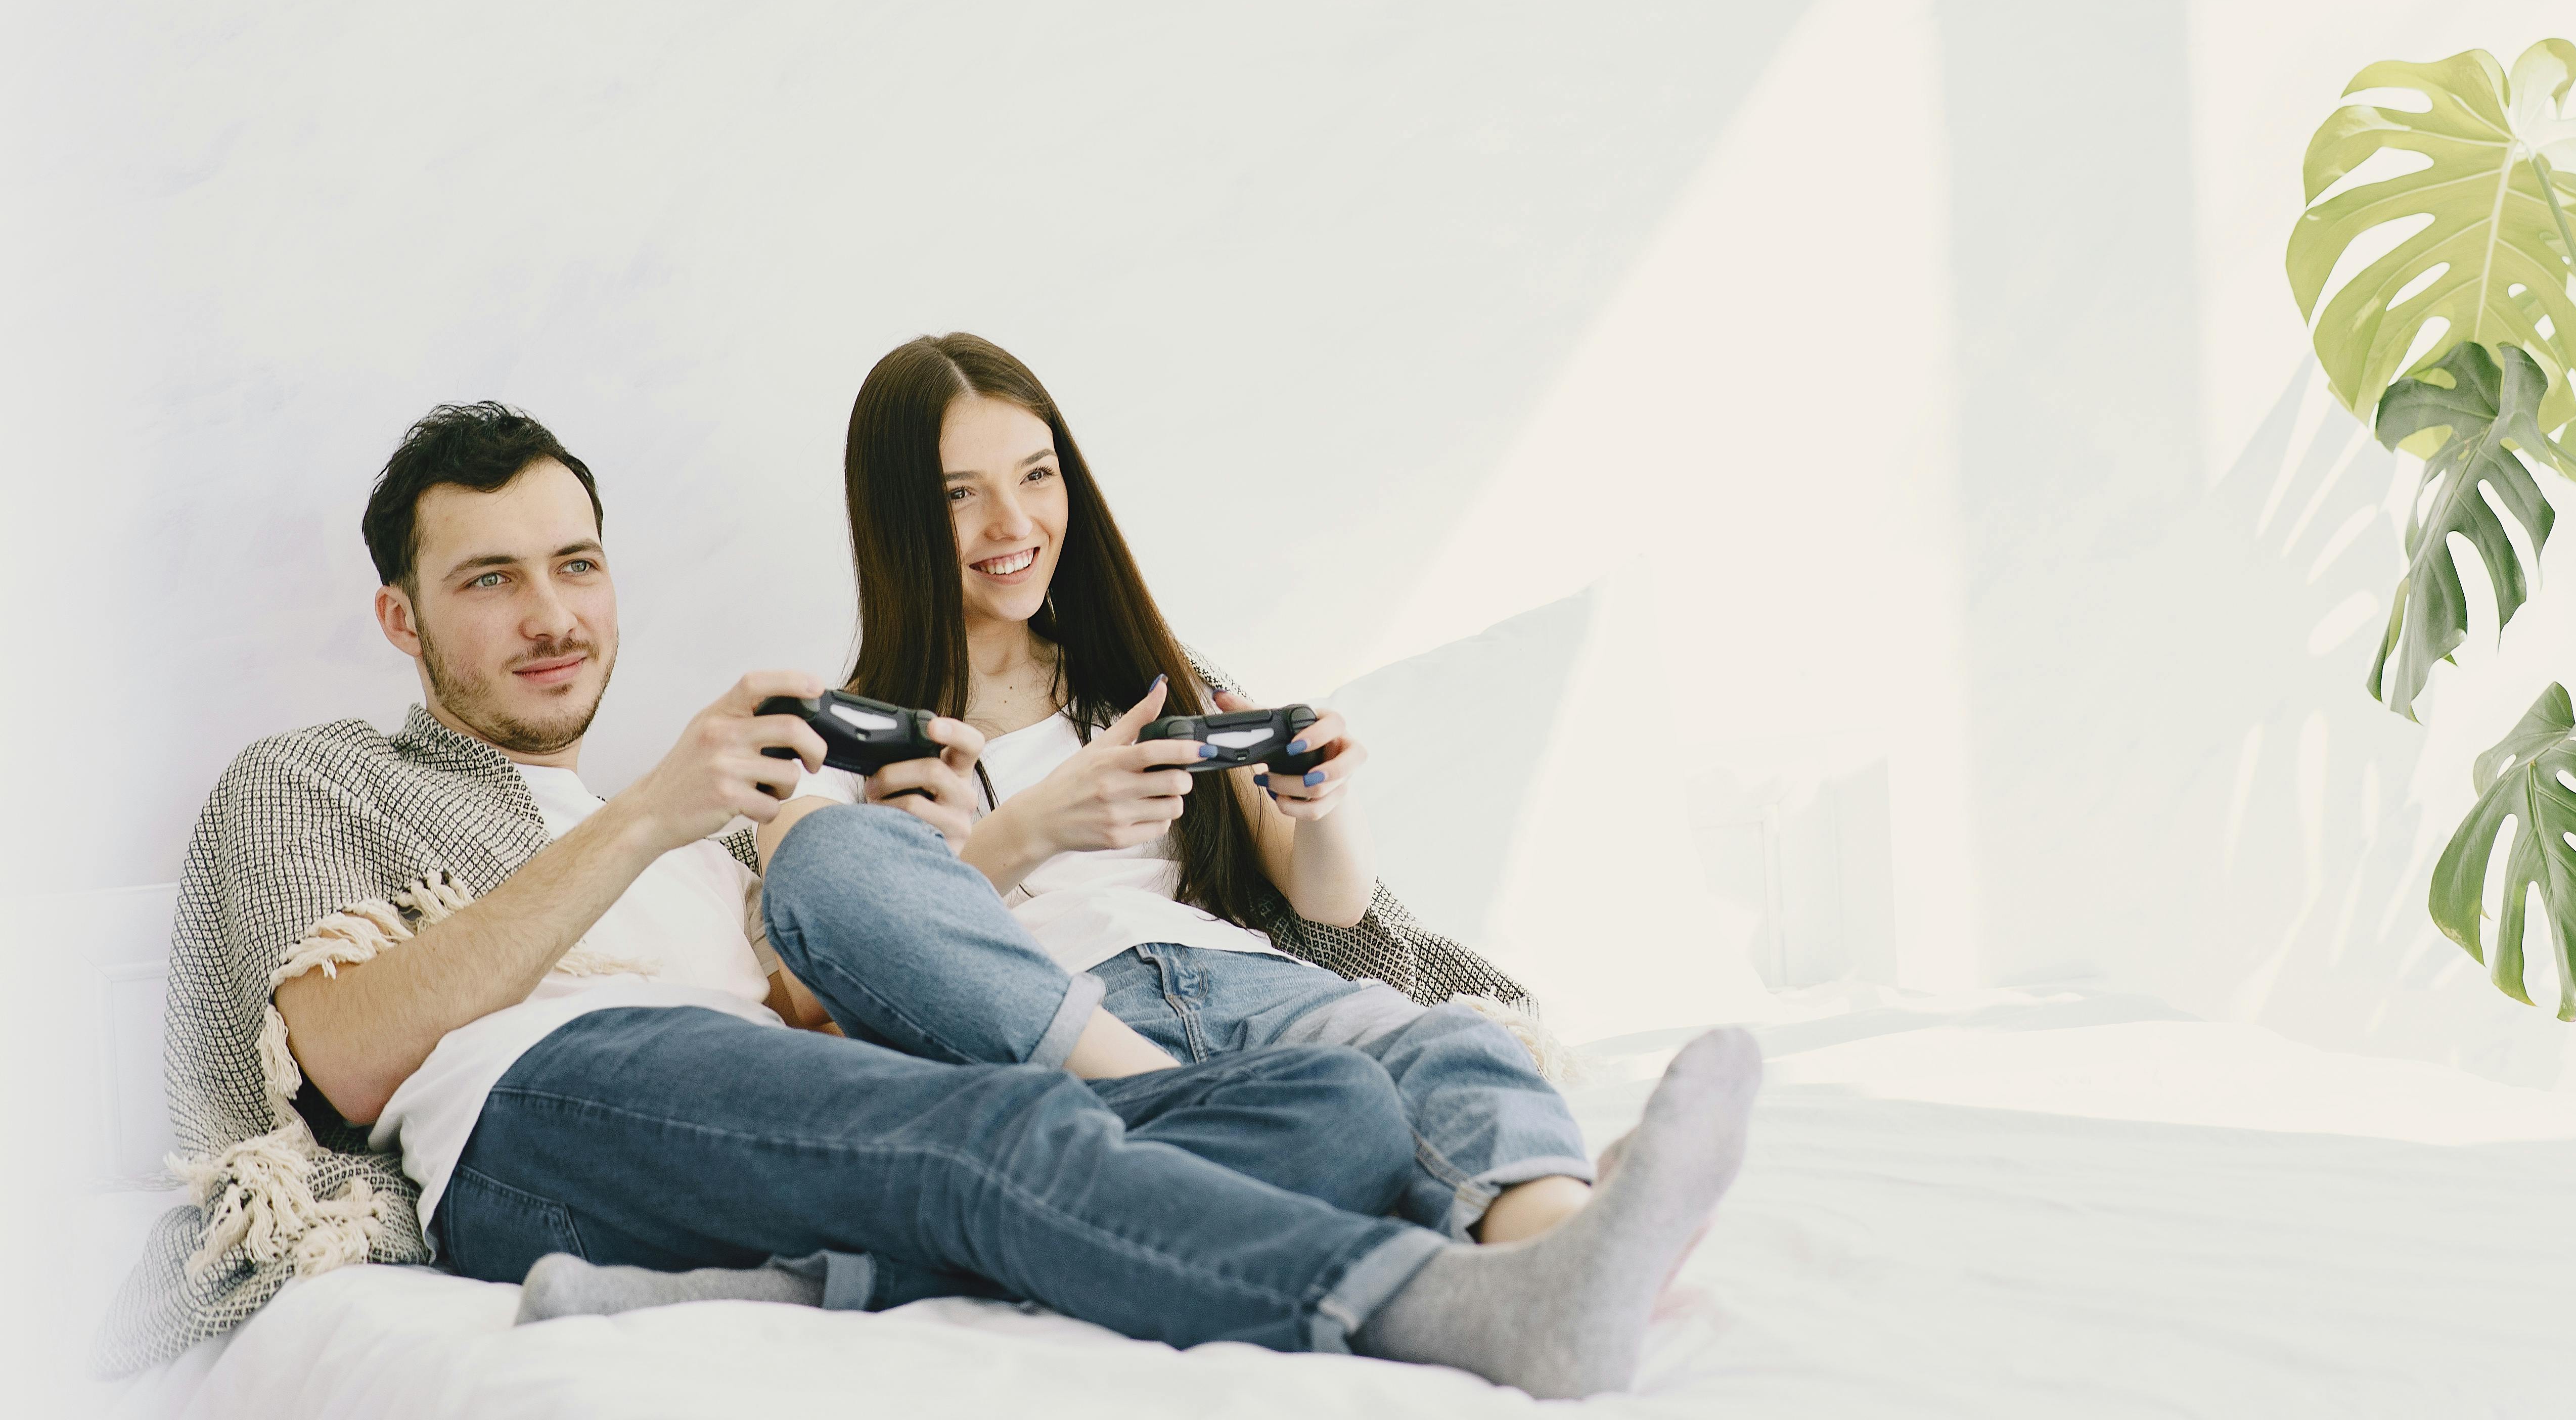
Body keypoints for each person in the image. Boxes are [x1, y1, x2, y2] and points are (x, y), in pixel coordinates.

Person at [102, 401, 1759, 1400]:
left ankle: (758, 1276)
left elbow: (811, 1043)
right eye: (491, 580)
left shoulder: (687, 817)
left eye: (578, 564)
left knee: (1325, 1098)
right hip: (538, 1113)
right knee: (990, 1145)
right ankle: (1472, 1308)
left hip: (739, 1121)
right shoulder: (309, 781)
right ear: (401, 620)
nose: (553, 616)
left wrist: (912, 860)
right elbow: (341, 1066)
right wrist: (660, 817)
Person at [759, 332, 1599, 1250]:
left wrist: (1321, 801)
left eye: (1037, 475)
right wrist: (1031, 831)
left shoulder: (1150, 680)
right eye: (960, 495)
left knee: (1448, 1051)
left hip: (1256, 988)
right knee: (1285, 1144)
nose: (1014, 524)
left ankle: (1562, 1255)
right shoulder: (834, 746)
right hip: (1072, 1030)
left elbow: (1328, 901)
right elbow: (809, 991)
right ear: (895, 519)